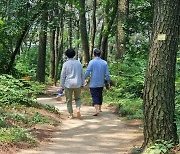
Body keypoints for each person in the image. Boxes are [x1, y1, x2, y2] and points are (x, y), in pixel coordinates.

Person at [59, 49, 85, 119]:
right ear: (74, 54)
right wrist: (83, 83)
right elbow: (82, 74)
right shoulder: (79, 63)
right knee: (78, 98)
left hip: (68, 84)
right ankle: (78, 109)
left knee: (69, 99)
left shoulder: (65, 64)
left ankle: (71, 114)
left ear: (66, 55)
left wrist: (61, 86)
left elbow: (62, 76)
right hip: (77, 83)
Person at [84, 48, 110, 116]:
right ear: (100, 54)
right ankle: (100, 108)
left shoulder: (91, 62)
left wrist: (83, 78)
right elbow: (107, 74)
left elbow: (87, 72)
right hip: (101, 82)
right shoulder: (104, 62)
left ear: (94, 54)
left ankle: (96, 110)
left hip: (93, 83)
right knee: (99, 95)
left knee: (94, 96)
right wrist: (108, 82)